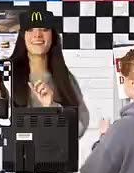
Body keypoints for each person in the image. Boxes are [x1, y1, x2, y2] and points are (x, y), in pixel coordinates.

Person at [10, 7, 89, 137]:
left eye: (44, 29)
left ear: (53, 35)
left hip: (55, 155)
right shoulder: (6, 74)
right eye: (30, 29)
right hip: (17, 155)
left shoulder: (65, 79)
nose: (37, 35)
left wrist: (52, 107)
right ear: (22, 36)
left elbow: (80, 125)